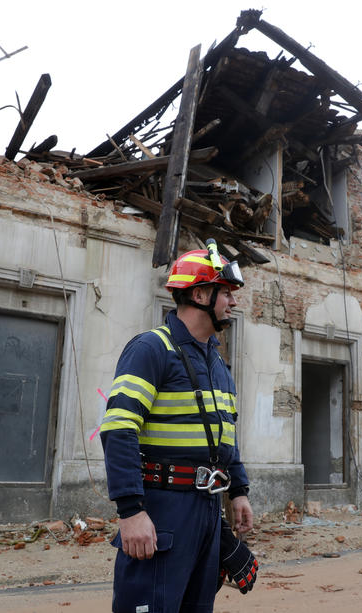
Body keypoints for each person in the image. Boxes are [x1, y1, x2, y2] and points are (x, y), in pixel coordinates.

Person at [100, 240, 256, 613]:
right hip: (162, 508)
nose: (233, 302)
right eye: (226, 293)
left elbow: (225, 439)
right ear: (201, 294)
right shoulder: (151, 348)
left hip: (207, 509)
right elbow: (119, 429)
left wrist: (238, 491)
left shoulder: (218, 364)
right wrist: (131, 511)